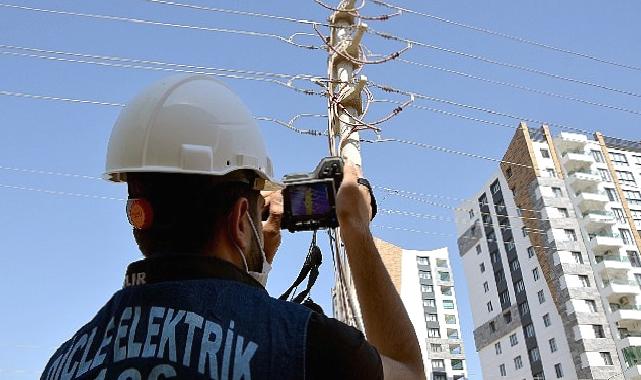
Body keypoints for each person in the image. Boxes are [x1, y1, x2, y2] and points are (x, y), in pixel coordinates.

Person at [41, 75, 424, 380]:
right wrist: (355, 229)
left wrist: (253, 271)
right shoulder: (307, 344)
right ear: (241, 218)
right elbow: (407, 371)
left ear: (139, 217)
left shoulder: (64, 362)